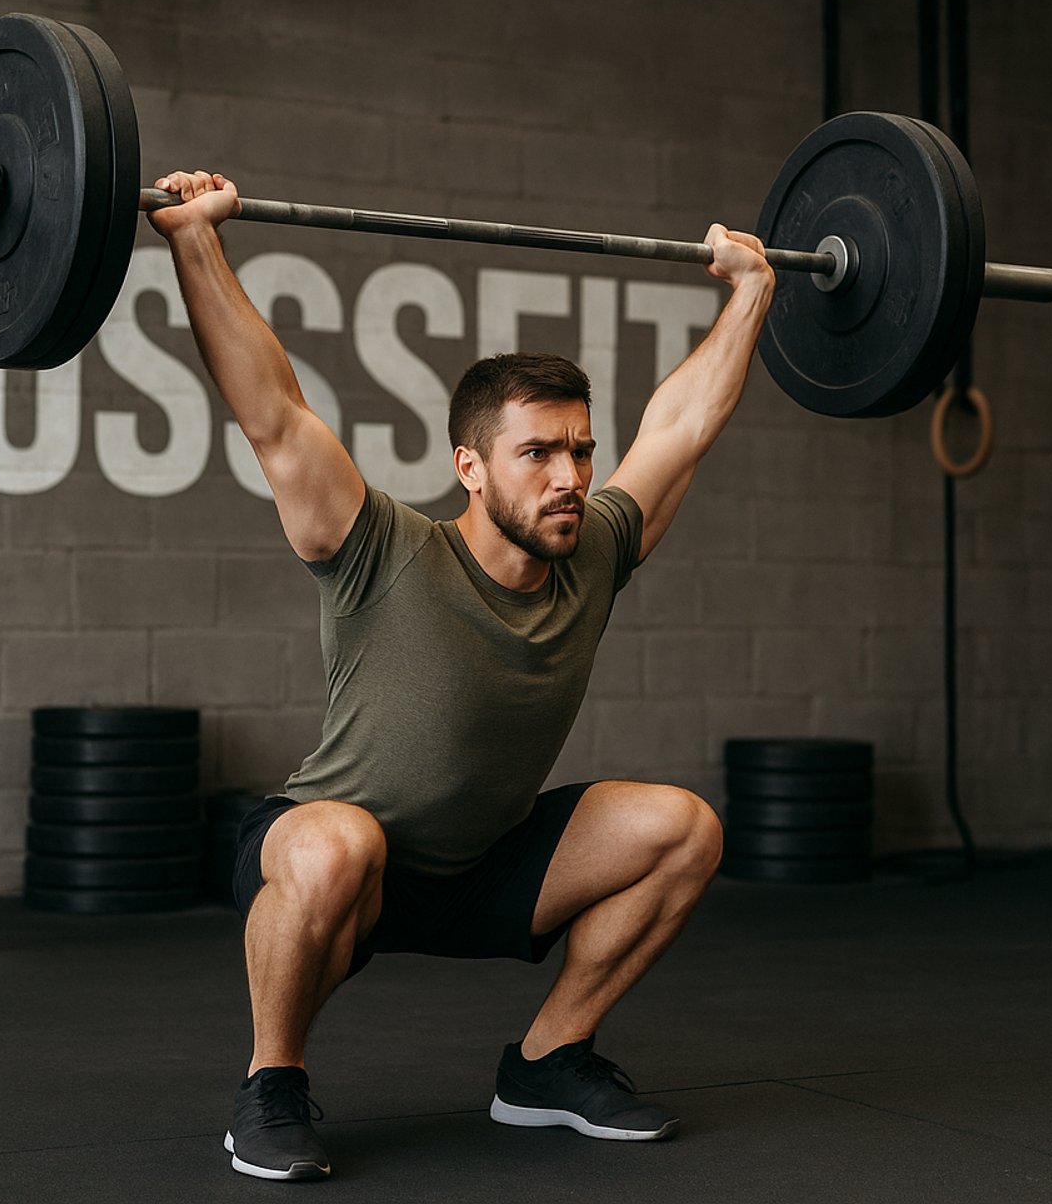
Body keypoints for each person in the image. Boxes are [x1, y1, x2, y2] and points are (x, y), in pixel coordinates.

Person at [147, 169, 775, 1182]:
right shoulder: (378, 545)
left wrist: (750, 295)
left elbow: (682, 428)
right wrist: (191, 238)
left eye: (579, 449)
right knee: (334, 842)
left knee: (682, 827)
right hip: (344, 857)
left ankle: (546, 1061)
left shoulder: (597, 548)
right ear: (471, 467)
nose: (570, 476)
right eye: (537, 452)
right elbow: (273, 414)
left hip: (486, 865)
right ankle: (270, 1082)